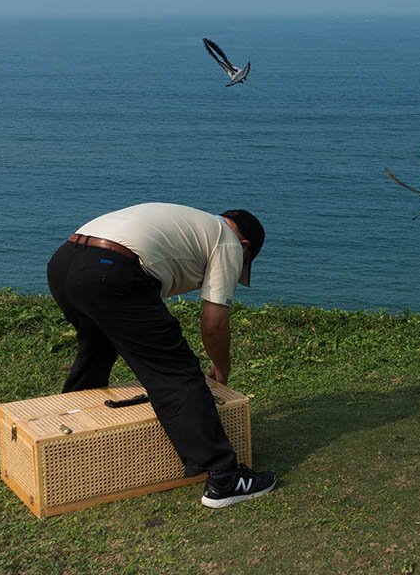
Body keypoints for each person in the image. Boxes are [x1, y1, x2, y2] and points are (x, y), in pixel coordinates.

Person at [46, 202, 277, 508]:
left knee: (97, 350)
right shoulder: (229, 243)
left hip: (65, 262)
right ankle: (224, 478)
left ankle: (65, 448)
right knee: (174, 371)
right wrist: (222, 367)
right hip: (110, 268)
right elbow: (214, 324)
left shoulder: (195, 224)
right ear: (245, 246)